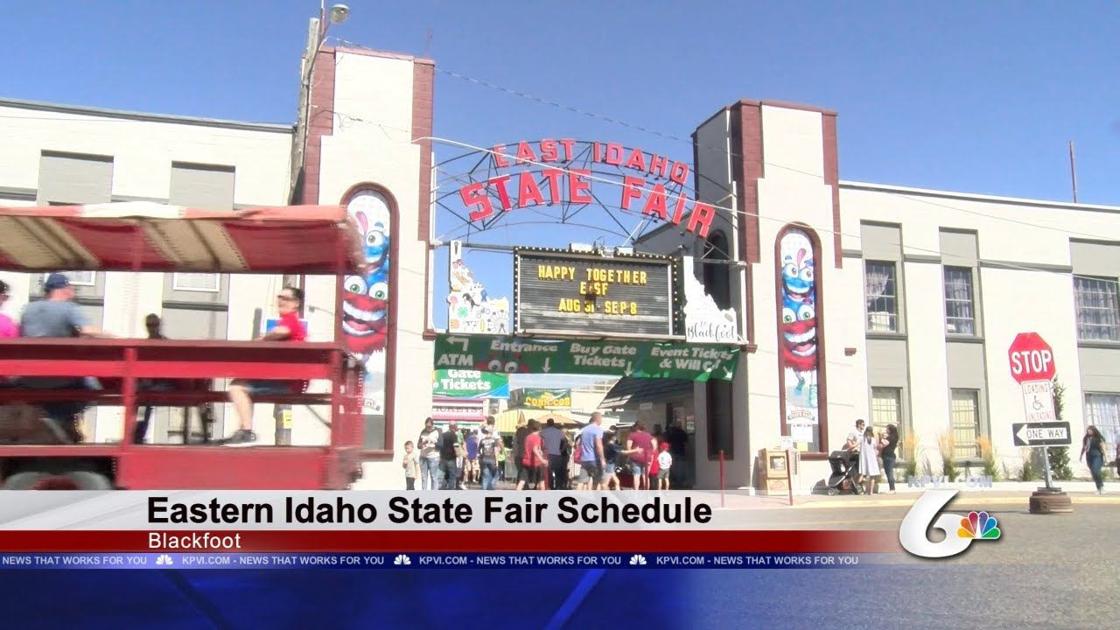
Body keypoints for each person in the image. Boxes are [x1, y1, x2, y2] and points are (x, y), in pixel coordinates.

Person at [19, 273, 113, 440]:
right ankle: (59, 418)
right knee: (93, 386)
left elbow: (22, 334)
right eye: (71, 288)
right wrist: (114, 336)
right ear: (63, 289)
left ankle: (53, 418)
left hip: (27, 378)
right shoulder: (69, 308)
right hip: (59, 377)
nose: (72, 292)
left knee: (57, 388)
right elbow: (87, 330)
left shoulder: (28, 309)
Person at [224, 286, 307, 445]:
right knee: (240, 384)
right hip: (287, 380)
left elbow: (282, 331)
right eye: (279, 297)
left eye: (286, 298)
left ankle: (246, 431)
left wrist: (262, 339)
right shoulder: (290, 321)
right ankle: (244, 430)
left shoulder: (291, 321)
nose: (281, 301)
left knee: (237, 387)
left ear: (296, 303)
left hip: (287, 383)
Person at [576, 412, 606, 490]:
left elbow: (578, 443)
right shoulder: (598, 429)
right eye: (601, 419)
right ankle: (598, 500)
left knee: (581, 482)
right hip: (594, 459)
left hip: (584, 459)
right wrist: (602, 459)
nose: (601, 421)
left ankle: (575, 500)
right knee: (598, 481)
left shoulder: (584, 429)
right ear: (598, 419)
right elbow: (599, 445)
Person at [517, 419, 546, 490]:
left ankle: (516, 496)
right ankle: (544, 499)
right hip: (536, 463)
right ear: (540, 429)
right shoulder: (537, 438)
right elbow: (535, 449)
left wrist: (539, 451)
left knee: (522, 481)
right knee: (541, 482)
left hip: (526, 461)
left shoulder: (528, 437)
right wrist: (542, 460)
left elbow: (529, 448)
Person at [626, 421, 655, 490]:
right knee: (645, 476)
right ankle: (646, 492)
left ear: (636, 427)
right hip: (647, 457)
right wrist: (650, 453)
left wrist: (630, 454)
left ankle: (636, 492)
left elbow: (628, 447)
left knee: (636, 475)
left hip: (636, 458)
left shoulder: (632, 435)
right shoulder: (649, 435)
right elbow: (654, 446)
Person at [1080, 425, 1107, 495]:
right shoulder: (1086, 438)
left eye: (1090, 430)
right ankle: (1098, 488)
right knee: (1093, 473)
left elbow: (1103, 447)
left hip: (1097, 456)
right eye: (1088, 430)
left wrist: (1106, 457)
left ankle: (1101, 487)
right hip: (1089, 456)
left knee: (1095, 470)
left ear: (1094, 431)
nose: (1088, 431)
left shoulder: (1098, 438)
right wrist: (1081, 455)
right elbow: (1084, 447)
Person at [540, 417, 566, 490]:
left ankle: (550, 486)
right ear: (553, 424)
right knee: (558, 472)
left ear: (547, 424)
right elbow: (564, 442)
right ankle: (558, 486)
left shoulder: (543, 432)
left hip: (547, 454)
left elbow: (540, 443)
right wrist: (561, 450)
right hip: (557, 454)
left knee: (548, 472)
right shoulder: (559, 432)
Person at [418, 418, 441, 490]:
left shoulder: (438, 431)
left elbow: (441, 445)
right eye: (426, 426)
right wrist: (423, 443)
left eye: (429, 426)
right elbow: (418, 445)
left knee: (433, 477)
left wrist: (433, 442)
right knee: (424, 477)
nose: (428, 428)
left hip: (433, 457)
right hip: (423, 457)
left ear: (432, 425)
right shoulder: (423, 431)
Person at [478, 425, 503, 490]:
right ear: (491, 432)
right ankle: (491, 485)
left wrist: (481, 457)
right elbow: (495, 451)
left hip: (484, 459)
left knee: (486, 475)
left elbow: (478, 450)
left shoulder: (482, 440)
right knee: (497, 473)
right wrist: (497, 461)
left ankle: (484, 489)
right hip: (492, 459)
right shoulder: (494, 440)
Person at [438, 421, 461, 490]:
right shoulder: (454, 435)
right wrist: (459, 455)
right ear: (454, 427)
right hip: (451, 458)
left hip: (443, 458)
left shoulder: (443, 434)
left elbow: (440, 446)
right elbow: (456, 447)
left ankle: (440, 489)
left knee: (441, 475)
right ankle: (450, 491)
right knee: (452, 476)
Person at [858, 426, 881, 495]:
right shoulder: (873, 439)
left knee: (864, 475)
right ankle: (870, 492)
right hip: (872, 459)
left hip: (864, 459)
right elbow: (875, 448)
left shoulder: (862, 439)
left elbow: (857, 445)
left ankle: (862, 490)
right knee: (872, 476)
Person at [879, 424, 899, 494]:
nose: (886, 430)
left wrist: (880, 437)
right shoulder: (894, 437)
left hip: (888, 457)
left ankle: (892, 489)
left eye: (887, 429)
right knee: (889, 472)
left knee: (889, 472)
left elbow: (883, 444)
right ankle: (892, 488)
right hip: (890, 456)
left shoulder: (891, 437)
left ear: (890, 430)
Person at [513, 416, 529, 488]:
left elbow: (515, 446)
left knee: (520, 471)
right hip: (525, 455)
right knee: (524, 471)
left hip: (518, 455)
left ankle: (522, 485)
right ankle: (523, 485)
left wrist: (514, 456)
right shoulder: (528, 433)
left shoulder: (516, 434)